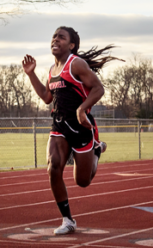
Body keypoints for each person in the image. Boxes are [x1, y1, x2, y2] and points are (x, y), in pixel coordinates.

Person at [22, 26, 122, 235]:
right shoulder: (52, 69)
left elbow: (98, 88)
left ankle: (96, 150)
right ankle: (67, 220)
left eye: (61, 37)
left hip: (81, 127)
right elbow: (46, 96)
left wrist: (82, 108)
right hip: (59, 125)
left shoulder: (76, 64)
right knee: (53, 166)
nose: (55, 39)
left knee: (82, 181)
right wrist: (31, 74)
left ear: (71, 45)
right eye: (54, 36)